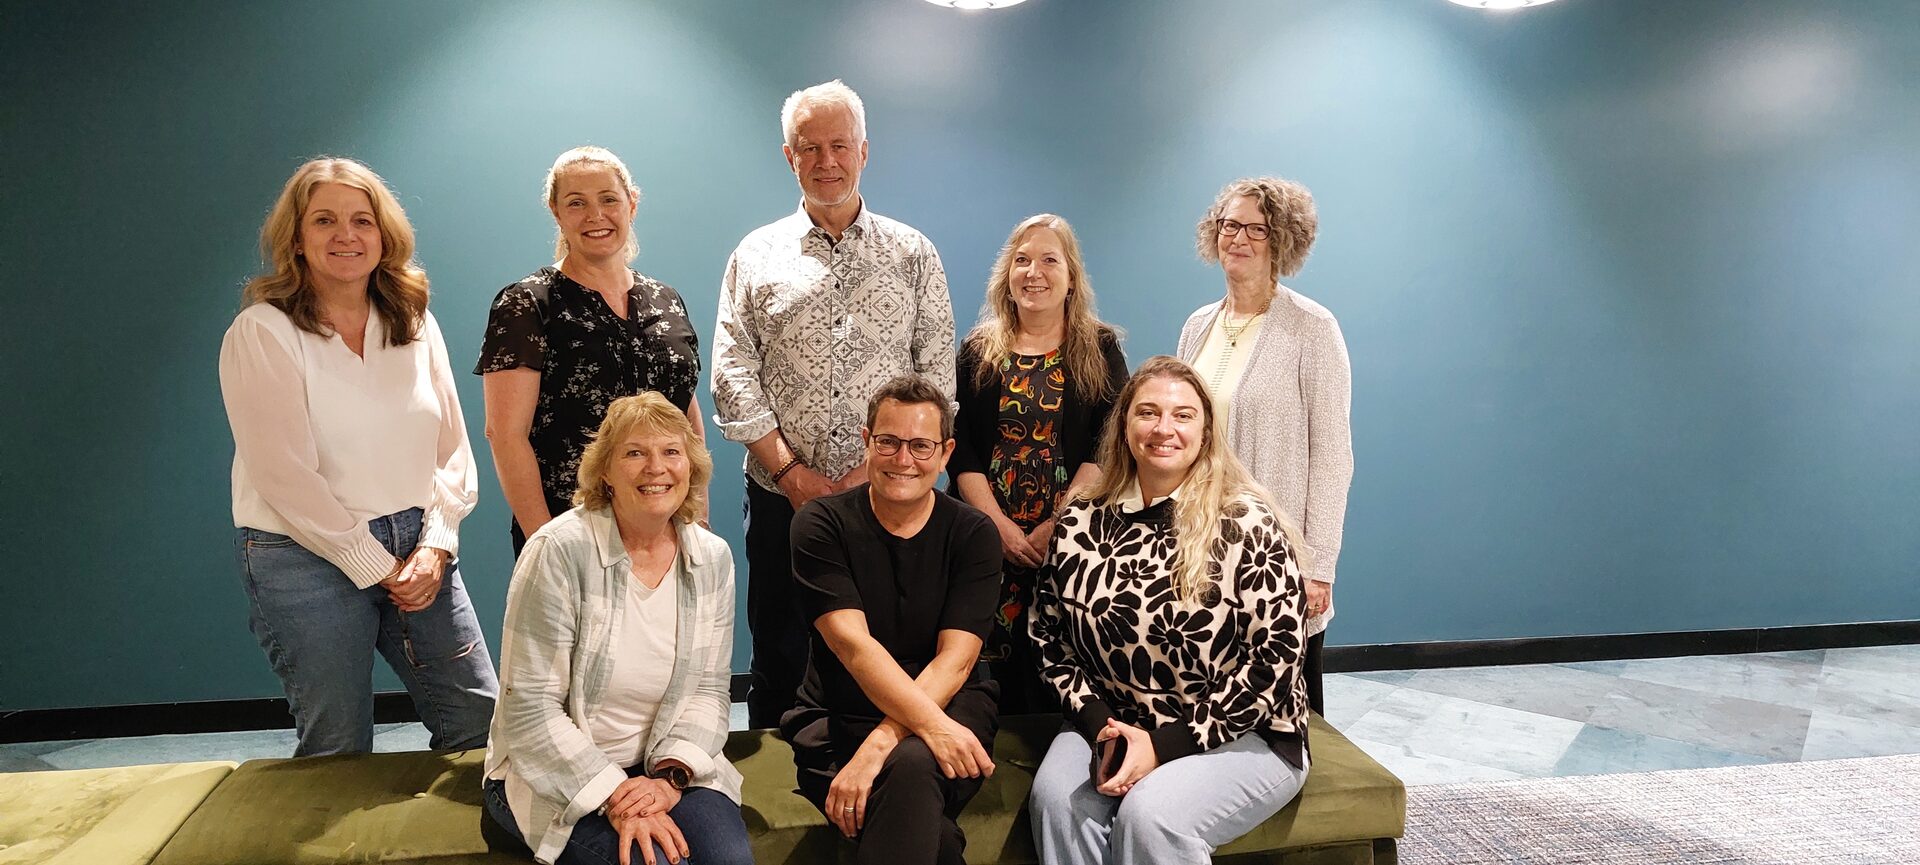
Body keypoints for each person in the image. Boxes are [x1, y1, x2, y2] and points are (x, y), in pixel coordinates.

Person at [219, 157, 498, 757]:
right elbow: (283, 474)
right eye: (324, 220)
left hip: (418, 545)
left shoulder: (414, 321)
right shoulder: (263, 330)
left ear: (383, 235)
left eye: (362, 221)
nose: (346, 235)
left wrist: (437, 543)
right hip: (303, 555)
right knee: (339, 745)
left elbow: (452, 445)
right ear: (297, 239)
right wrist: (375, 564)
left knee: (481, 727)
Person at [712, 79, 958, 728]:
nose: (827, 161)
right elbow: (732, 371)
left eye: (840, 145)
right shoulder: (755, 254)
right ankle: (778, 775)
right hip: (780, 497)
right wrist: (793, 474)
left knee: (887, 653)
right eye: (810, 147)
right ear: (789, 156)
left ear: (864, 151)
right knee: (782, 650)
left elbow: (937, 378)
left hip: (891, 497)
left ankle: (880, 765)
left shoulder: (913, 253)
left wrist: (867, 474)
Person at [1027, 356, 1312, 865]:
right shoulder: (1080, 518)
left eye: (1183, 415)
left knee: (1150, 814)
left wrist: (1163, 746)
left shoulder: (1246, 523)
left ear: (1206, 432)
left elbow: (1276, 660)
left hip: (1245, 733)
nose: (1164, 428)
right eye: (1148, 412)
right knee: (1057, 803)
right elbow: (1048, 636)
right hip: (1113, 720)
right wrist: (1101, 725)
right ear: (1124, 425)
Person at [483, 393, 750, 865]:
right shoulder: (558, 551)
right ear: (604, 471)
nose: (656, 468)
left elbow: (709, 691)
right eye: (634, 453)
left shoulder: (712, 557)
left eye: (671, 451)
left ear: (690, 466)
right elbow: (529, 709)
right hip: (555, 773)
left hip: (665, 765)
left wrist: (670, 779)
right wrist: (615, 795)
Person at [780, 375, 1001, 865]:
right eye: (888, 442)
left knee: (914, 761)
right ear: (866, 442)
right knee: (935, 834)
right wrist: (912, 732)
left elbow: (957, 662)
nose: (903, 459)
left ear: (945, 454)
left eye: (921, 446)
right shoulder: (819, 524)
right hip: (841, 717)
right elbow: (853, 648)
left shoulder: (973, 533)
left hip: (951, 708)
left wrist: (880, 745)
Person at [1175, 176, 1352, 715]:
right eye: (1230, 225)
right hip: (1200, 542)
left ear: (1284, 240)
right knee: (1207, 696)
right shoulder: (1198, 326)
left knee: (1286, 706)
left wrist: (1317, 565)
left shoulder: (1312, 328)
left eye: (1258, 229)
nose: (1239, 238)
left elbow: (1332, 456)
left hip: (1277, 552)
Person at [478, 146, 705, 556]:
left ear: (632, 203)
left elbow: (685, 415)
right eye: (576, 203)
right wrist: (545, 543)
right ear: (556, 212)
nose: (595, 215)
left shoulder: (666, 299)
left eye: (608, 199)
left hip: (666, 527)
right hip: (571, 533)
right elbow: (506, 435)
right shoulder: (528, 304)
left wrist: (697, 521)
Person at [951, 213, 1127, 714]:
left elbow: (1108, 444)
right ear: (1006, 274)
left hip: (1072, 534)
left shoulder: (1100, 347)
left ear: (1071, 278)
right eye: (1022, 260)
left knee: (1062, 665)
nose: (1034, 272)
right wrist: (997, 525)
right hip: (987, 532)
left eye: (1050, 260)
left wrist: (1058, 524)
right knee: (988, 670)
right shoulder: (978, 351)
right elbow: (960, 446)